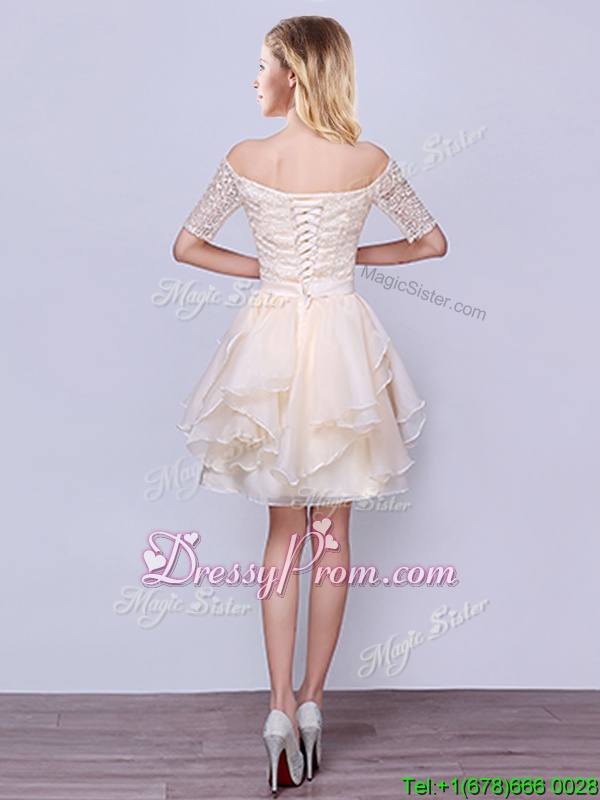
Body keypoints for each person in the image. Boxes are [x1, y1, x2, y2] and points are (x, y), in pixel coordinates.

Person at [172, 15, 447, 793]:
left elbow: (187, 246)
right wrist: (347, 257)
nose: (255, 78)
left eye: (264, 65)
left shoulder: (246, 157)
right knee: (333, 535)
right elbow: (431, 243)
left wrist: (269, 270)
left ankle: (277, 709)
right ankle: (315, 701)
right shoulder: (370, 160)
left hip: (268, 343)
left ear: (294, 73)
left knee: (282, 535)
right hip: (341, 343)